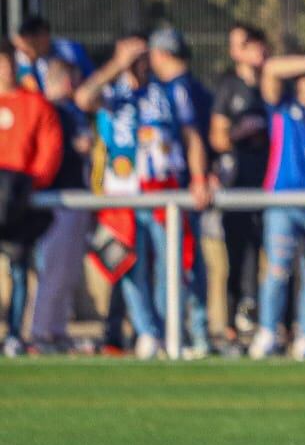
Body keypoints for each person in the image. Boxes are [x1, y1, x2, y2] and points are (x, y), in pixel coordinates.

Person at [76, 25, 214, 357]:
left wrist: (198, 176)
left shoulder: (168, 91)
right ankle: (146, 331)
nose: (137, 62)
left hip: (164, 191)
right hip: (124, 195)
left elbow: (191, 135)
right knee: (129, 267)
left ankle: (171, 330)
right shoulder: (113, 92)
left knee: (173, 264)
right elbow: (83, 97)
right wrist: (116, 64)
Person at [251, 53, 305, 360]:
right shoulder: (283, 110)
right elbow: (271, 69)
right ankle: (267, 332)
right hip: (282, 201)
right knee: (277, 269)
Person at [0, 37, 64, 356]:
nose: (6, 70)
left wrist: (28, 187)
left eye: (9, 62)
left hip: (19, 205)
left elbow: (49, 150)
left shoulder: (35, 105)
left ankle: (14, 333)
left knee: (19, 267)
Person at [29, 60, 95, 353]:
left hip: (77, 197)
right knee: (53, 271)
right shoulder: (49, 110)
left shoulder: (74, 111)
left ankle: (56, 331)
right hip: (57, 200)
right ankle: (41, 332)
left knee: (68, 272)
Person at [211, 24, 271, 349]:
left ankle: (275, 326)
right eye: (250, 46)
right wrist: (237, 133)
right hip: (237, 186)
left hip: (270, 186)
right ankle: (232, 326)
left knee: (272, 259)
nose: (257, 53)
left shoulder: (272, 88)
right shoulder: (228, 87)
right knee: (236, 256)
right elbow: (216, 136)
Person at [11, 15, 94, 93]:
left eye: (31, 44)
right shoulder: (25, 56)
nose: (27, 51)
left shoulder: (67, 49)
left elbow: (75, 81)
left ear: (43, 36)